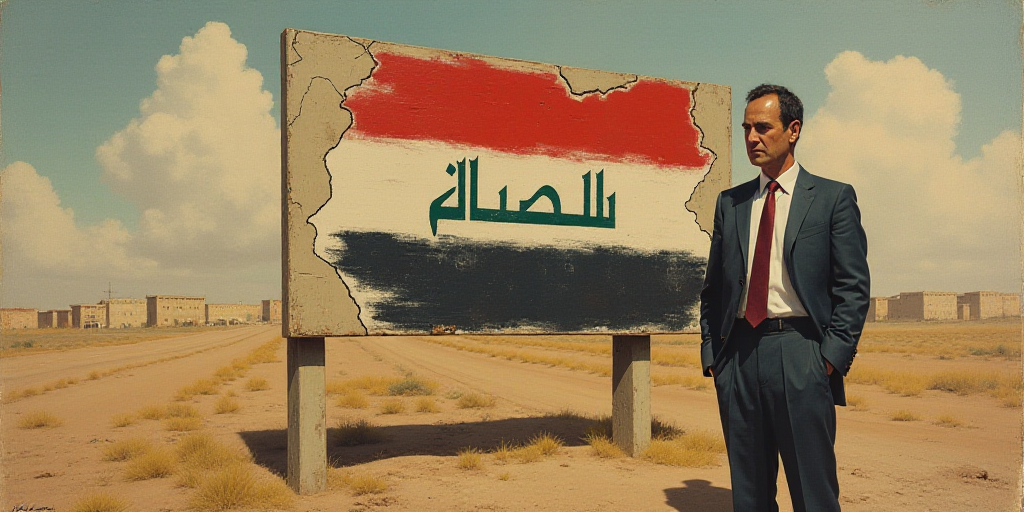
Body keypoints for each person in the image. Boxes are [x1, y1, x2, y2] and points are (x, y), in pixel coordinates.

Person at [699, 84, 869, 512]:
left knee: (813, 495)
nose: (752, 138)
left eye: (762, 127)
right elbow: (714, 288)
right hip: (737, 356)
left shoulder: (832, 198)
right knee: (750, 496)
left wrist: (828, 358)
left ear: (793, 130)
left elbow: (853, 288)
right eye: (746, 128)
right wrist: (713, 358)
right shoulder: (731, 203)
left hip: (801, 354)